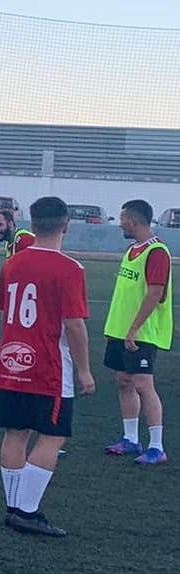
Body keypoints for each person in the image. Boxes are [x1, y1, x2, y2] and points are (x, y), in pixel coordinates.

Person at [0, 196, 95, 537]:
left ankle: (13, 506)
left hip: (12, 361)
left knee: (15, 432)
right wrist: (84, 370)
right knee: (53, 435)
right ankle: (27, 511)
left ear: (31, 225)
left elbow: (7, 313)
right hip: (50, 368)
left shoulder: (12, 264)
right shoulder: (70, 268)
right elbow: (74, 325)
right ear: (66, 225)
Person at [101, 199, 170, 465]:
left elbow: (155, 293)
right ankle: (131, 439)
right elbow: (125, 294)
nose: (120, 223)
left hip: (140, 332)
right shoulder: (132, 250)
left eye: (122, 219)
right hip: (120, 331)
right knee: (124, 381)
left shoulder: (157, 252)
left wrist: (134, 328)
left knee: (143, 385)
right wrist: (114, 328)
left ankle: (156, 446)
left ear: (134, 220)